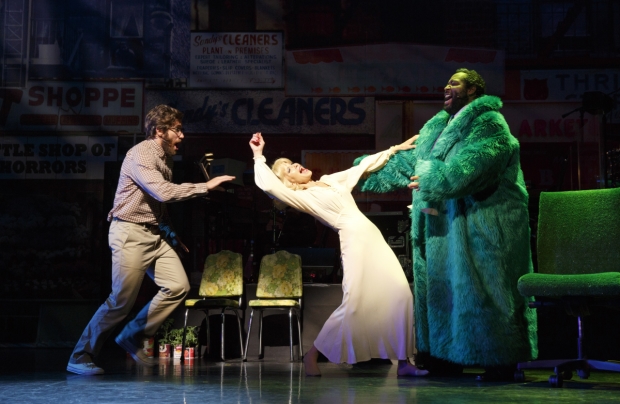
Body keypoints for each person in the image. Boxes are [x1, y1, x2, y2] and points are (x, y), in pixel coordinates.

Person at [356, 68, 538, 381]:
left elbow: (472, 167)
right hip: (442, 227)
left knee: (484, 294)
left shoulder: (489, 123)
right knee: (444, 295)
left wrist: (429, 178)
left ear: (474, 90)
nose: (446, 86)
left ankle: (498, 358)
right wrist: (359, 172)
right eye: (447, 82)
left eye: (455, 82)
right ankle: (446, 356)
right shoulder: (436, 127)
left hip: (483, 227)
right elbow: (408, 165)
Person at [67, 105, 235, 375]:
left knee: (178, 286)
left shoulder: (164, 158)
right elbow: (162, 193)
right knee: (121, 301)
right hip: (130, 234)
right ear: (159, 130)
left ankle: (132, 336)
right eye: (177, 130)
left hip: (153, 235)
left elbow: (158, 206)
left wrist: (172, 235)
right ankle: (79, 355)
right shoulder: (142, 153)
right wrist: (206, 186)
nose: (182, 136)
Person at [249, 132, 428, 377]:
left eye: (294, 163)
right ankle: (312, 354)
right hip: (354, 243)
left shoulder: (329, 181)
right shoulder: (301, 197)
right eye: (290, 169)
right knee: (354, 303)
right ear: (288, 182)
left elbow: (363, 167)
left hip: (373, 238)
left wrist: (395, 148)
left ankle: (405, 363)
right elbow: (268, 185)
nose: (297, 166)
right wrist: (258, 155)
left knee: (401, 294)